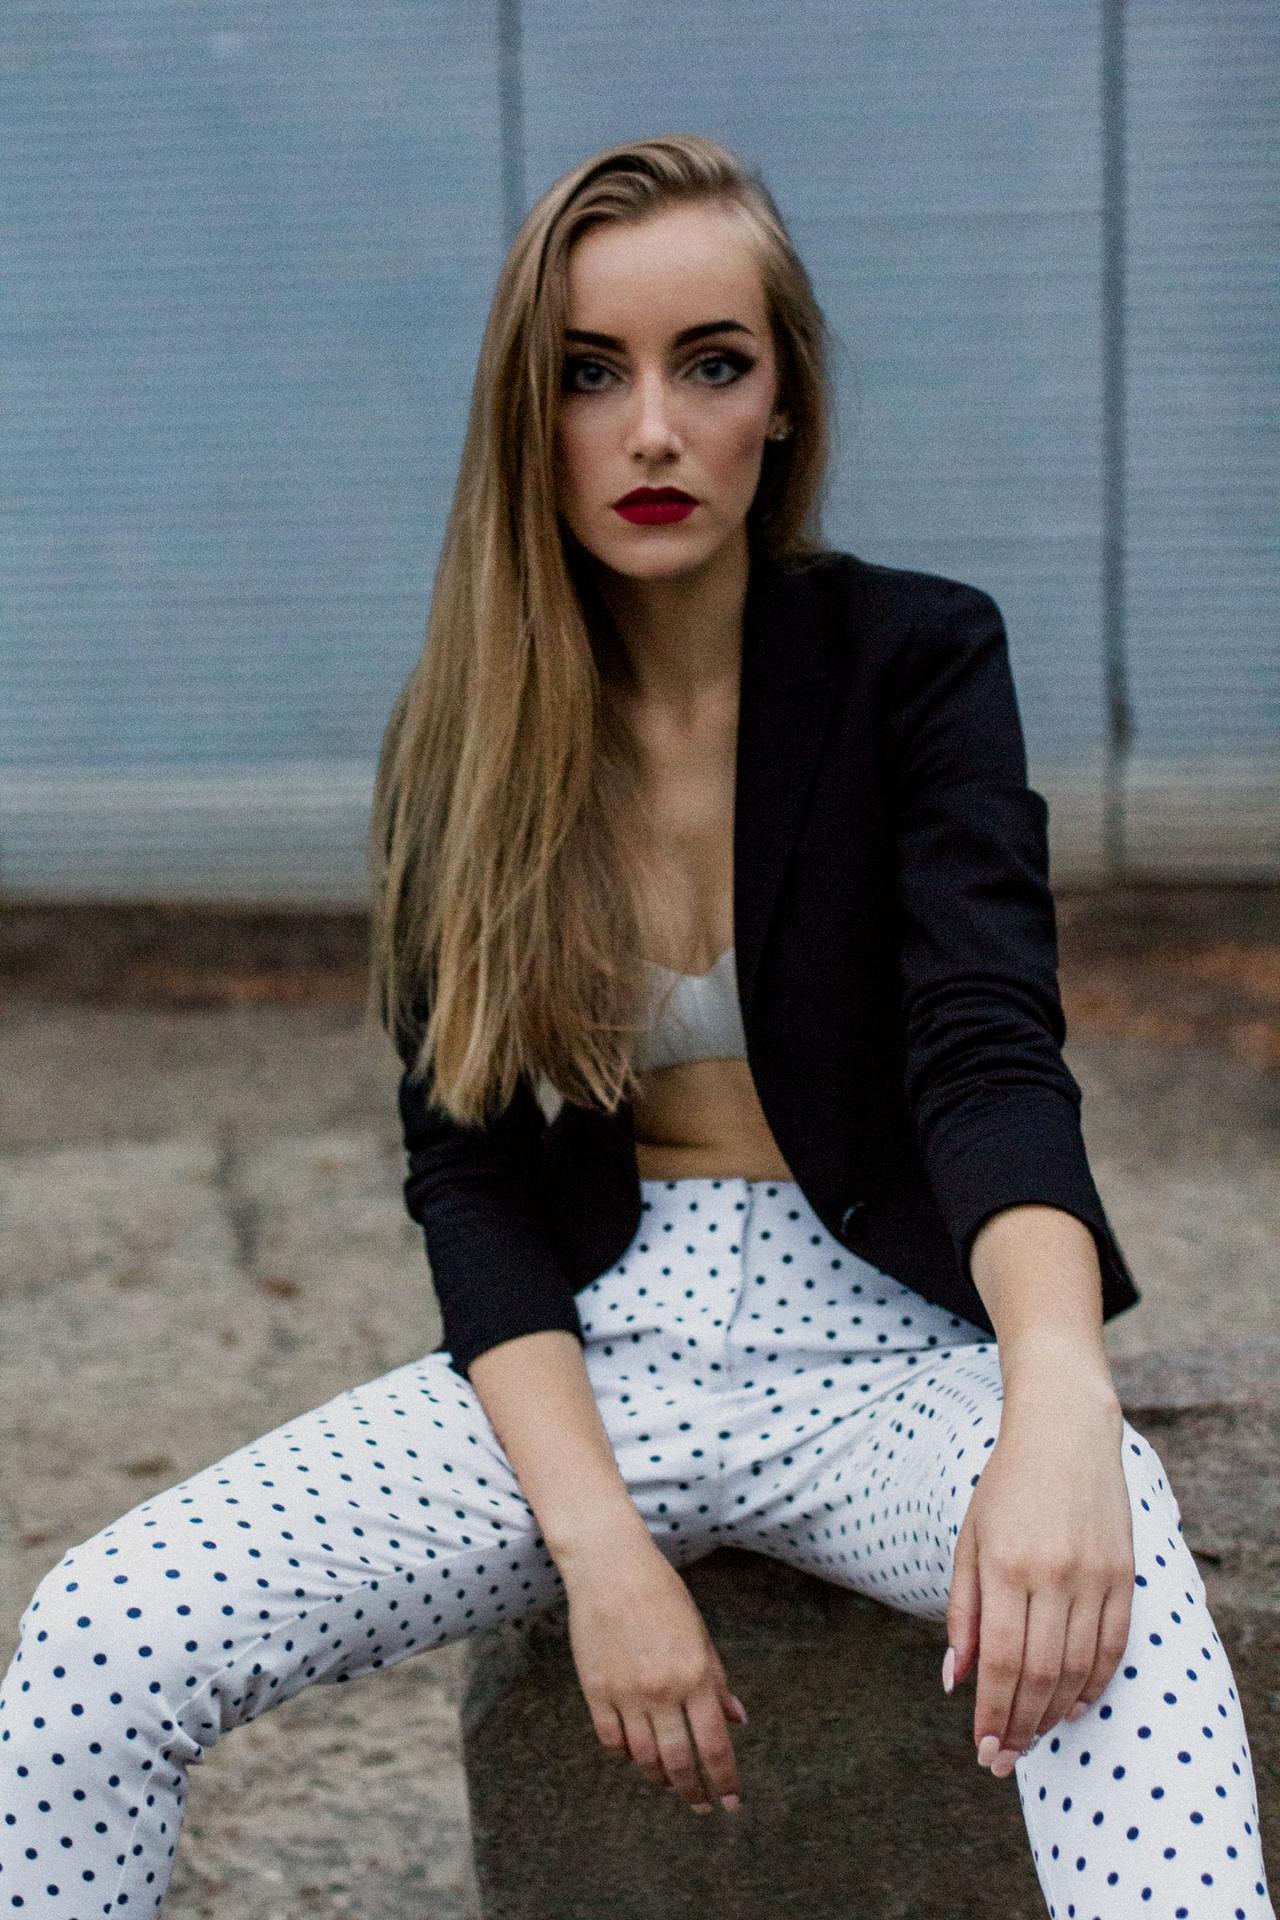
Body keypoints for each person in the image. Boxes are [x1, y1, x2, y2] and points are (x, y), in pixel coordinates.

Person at [0, 134, 1272, 1919]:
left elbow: (988, 1051)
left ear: (784, 401)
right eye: (591, 374)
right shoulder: (463, 732)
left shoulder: (916, 661)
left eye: (711, 364)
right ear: (526, 415)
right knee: (96, 1637)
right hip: (587, 1362)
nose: (654, 430)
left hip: (896, 1362)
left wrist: (1058, 1401)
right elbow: (469, 1176)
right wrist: (598, 1553)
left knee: (1108, 1611)